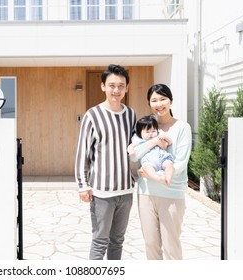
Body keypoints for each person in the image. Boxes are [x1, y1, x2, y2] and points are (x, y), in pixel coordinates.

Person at [74, 64, 137, 260]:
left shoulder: (131, 115)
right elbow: (82, 153)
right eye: (112, 85)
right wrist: (83, 185)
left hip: (126, 191)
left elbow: (136, 146)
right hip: (102, 193)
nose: (116, 90)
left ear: (126, 88)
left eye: (121, 86)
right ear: (103, 86)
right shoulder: (92, 115)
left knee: (118, 241)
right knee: (100, 241)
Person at [130, 84, 192, 260]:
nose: (159, 104)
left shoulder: (182, 127)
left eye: (163, 99)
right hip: (146, 194)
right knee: (151, 245)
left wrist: (156, 176)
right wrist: (154, 142)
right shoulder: (146, 128)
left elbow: (180, 163)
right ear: (149, 104)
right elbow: (134, 157)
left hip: (171, 192)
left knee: (171, 246)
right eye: (154, 100)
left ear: (171, 101)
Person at [127, 115, 174, 186]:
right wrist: (131, 151)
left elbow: (170, 143)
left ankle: (168, 178)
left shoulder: (160, 136)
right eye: (147, 132)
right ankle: (157, 178)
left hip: (162, 157)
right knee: (147, 167)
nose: (151, 134)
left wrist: (165, 138)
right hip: (148, 161)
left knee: (169, 164)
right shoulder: (140, 140)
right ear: (140, 133)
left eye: (153, 131)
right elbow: (131, 146)